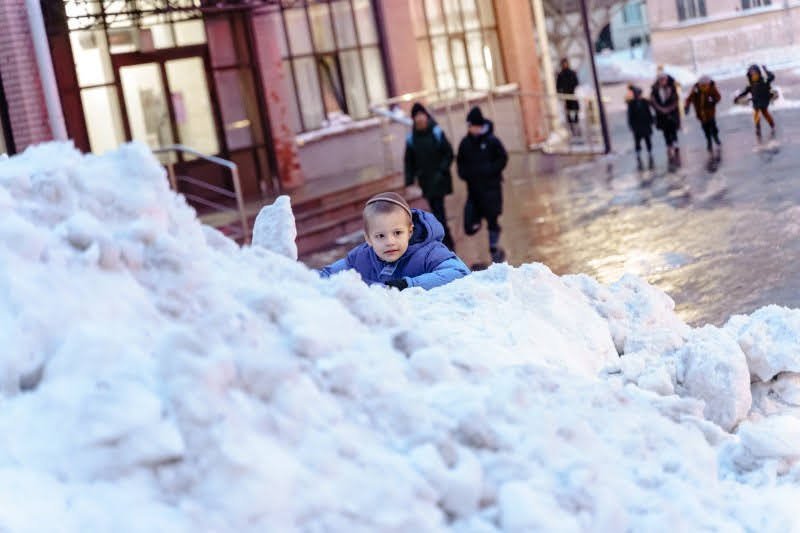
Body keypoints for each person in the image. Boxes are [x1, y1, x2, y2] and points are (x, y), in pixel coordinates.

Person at [319, 192, 470, 290]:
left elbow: (460, 272)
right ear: (368, 239)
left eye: (397, 233)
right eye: (380, 236)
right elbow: (325, 274)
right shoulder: (361, 257)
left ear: (410, 232)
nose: (390, 242)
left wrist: (408, 284)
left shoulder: (429, 252)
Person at [456, 106, 509, 264]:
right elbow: (460, 163)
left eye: (477, 126)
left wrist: (491, 170)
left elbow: (503, 158)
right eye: (472, 126)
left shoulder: (491, 141)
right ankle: (479, 225)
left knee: (492, 219)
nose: (474, 129)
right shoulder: (465, 143)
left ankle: (494, 248)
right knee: (469, 224)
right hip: (474, 190)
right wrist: (465, 174)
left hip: (491, 188)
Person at [404, 102, 455, 250]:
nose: (420, 118)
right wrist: (409, 180)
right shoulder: (411, 138)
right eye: (416, 116)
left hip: (439, 180)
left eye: (421, 115)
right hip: (425, 181)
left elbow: (449, 152)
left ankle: (446, 243)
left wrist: (442, 170)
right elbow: (409, 161)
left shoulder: (436, 132)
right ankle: (446, 241)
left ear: (426, 116)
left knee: (439, 211)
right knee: (436, 210)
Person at [735, 64, 776, 138]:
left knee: (765, 113)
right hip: (756, 102)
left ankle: (772, 125)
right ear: (750, 76)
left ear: (759, 73)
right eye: (752, 75)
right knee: (756, 114)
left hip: (764, 100)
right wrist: (738, 97)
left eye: (755, 74)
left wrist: (766, 70)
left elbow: (772, 77)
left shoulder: (764, 81)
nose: (754, 76)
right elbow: (745, 92)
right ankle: (758, 128)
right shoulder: (751, 85)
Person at [684, 75, 721, 153]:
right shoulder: (696, 89)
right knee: (705, 128)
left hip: (710, 113)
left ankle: (715, 137)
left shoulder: (712, 88)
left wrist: (713, 101)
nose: (704, 86)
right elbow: (689, 98)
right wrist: (687, 106)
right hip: (700, 114)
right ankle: (709, 142)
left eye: (705, 84)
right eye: (702, 84)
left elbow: (718, 97)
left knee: (713, 126)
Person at [650, 72, 681, 159]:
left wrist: (669, 109)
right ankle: (669, 145)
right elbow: (653, 101)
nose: (663, 81)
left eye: (664, 79)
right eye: (661, 80)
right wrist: (661, 109)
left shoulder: (672, 88)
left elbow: (676, 100)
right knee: (665, 131)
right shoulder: (655, 90)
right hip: (661, 115)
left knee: (673, 130)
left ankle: (675, 143)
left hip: (672, 114)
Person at [626, 84, 654, 166]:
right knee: (637, 140)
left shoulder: (645, 102)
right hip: (637, 124)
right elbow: (630, 115)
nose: (637, 95)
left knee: (647, 138)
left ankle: (649, 151)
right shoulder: (631, 103)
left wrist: (651, 121)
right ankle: (638, 152)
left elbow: (649, 112)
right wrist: (631, 125)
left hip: (645, 123)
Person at [556, 58, 580, 136]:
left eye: (565, 63)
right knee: (568, 111)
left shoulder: (572, 73)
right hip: (566, 95)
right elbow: (558, 86)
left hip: (572, 94)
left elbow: (576, 83)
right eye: (563, 64)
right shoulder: (560, 75)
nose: (565, 65)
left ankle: (576, 124)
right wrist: (561, 92)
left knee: (576, 109)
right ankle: (571, 126)